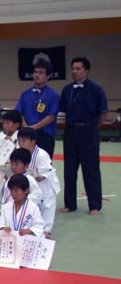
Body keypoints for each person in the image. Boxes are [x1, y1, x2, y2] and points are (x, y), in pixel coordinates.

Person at [59, 57, 108, 216]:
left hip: (89, 132)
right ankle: (70, 204)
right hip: (71, 132)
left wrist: (93, 127)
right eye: (73, 68)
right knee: (69, 169)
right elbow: (63, 111)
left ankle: (94, 206)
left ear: (86, 71)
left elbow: (103, 113)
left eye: (78, 68)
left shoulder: (96, 89)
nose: (75, 71)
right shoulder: (67, 90)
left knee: (91, 169)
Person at [17, 127, 60, 238]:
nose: (21, 143)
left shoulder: (41, 154)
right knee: (32, 208)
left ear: (33, 141)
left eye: (24, 141)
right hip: (31, 186)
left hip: (46, 186)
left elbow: (49, 170)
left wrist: (42, 176)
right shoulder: (19, 152)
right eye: (19, 140)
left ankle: (46, 232)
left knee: (47, 208)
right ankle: (32, 230)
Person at [15, 59, 60, 158]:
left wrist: (33, 128)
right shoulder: (25, 94)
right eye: (35, 72)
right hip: (26, 135)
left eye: (41, 73)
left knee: (43, 164)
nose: (37, 75)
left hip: (45, 136)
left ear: (47, 76)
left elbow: (51, 117)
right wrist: (26, 127)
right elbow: (19, 113)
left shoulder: (53, 95)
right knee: (24, 162)